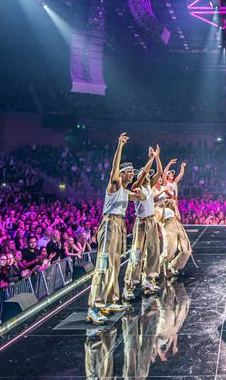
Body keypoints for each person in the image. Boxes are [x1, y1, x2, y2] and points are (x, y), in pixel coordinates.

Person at [87, 134, 136, 325]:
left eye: (132, 173)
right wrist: (120, 146)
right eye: (129, 172)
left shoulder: (126, 191)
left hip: (119, 225)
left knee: (114, 265)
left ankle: (110, 300)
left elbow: (142, 195)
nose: (131, 175)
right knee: (103, 265)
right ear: (121, 174)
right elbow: (114, 169)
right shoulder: (115, 185)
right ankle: (94, 307)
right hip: (109, 224)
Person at [123, 146, 163, 300]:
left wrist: (157, 157)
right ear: (140, 176)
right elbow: (146, 172)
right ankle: (129, 285)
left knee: (153, 252)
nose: (147, 175)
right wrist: (151, 158)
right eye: (143, 174)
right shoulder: (136, 186)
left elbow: (159, 173)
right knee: (137, 253)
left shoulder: (149, 186)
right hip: (141, 223)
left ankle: (148, 280)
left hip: (152, 220)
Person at [156, 159, 191, 279]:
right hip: (168, 212)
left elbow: (181, 174)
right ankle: (154, 272)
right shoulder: (165, 185)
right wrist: (169, 164)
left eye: (172, 173)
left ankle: (172, 266)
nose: (171, 174)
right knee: (169, 251)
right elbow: (163, 173)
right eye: (169, 174)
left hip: (175, 212)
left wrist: (182, 166)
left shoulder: (174, 182)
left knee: (186, 250)